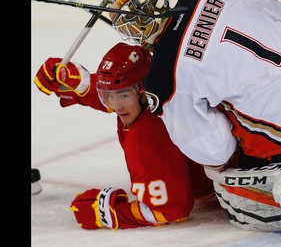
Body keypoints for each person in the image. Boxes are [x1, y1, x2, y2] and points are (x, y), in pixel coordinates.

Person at [106, 0, 281, 242]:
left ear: (134, 29)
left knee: (229, 192)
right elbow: (278, 13)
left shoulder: (163, 76)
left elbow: (213, 149)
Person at [33, 42, 214, 230]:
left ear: (142, 89)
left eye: (123, 95)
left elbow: (170, 210)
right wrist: (75, 82)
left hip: (220, 190)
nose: (116, 105)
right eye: (108, 96)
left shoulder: (145, 133)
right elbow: (116, 90)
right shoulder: (156, 93)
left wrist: (108, 213)